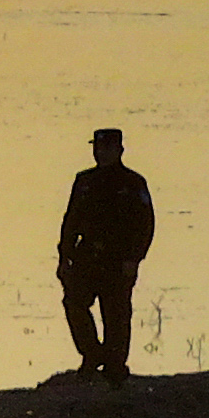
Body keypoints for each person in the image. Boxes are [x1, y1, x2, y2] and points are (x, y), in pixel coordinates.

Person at [57, 126, 154, 379]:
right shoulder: (84, 181)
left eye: (107, 148)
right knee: (74, 303)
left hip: (118, 258)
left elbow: (145, 224)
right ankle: (92, 354)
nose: (101, 153)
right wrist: (64, 256)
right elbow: (71, 220)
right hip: (87, 255)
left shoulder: (133, 183)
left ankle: (115, 365)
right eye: (98, 148)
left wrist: (134, 258)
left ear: (120, 150)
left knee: (117, 313)